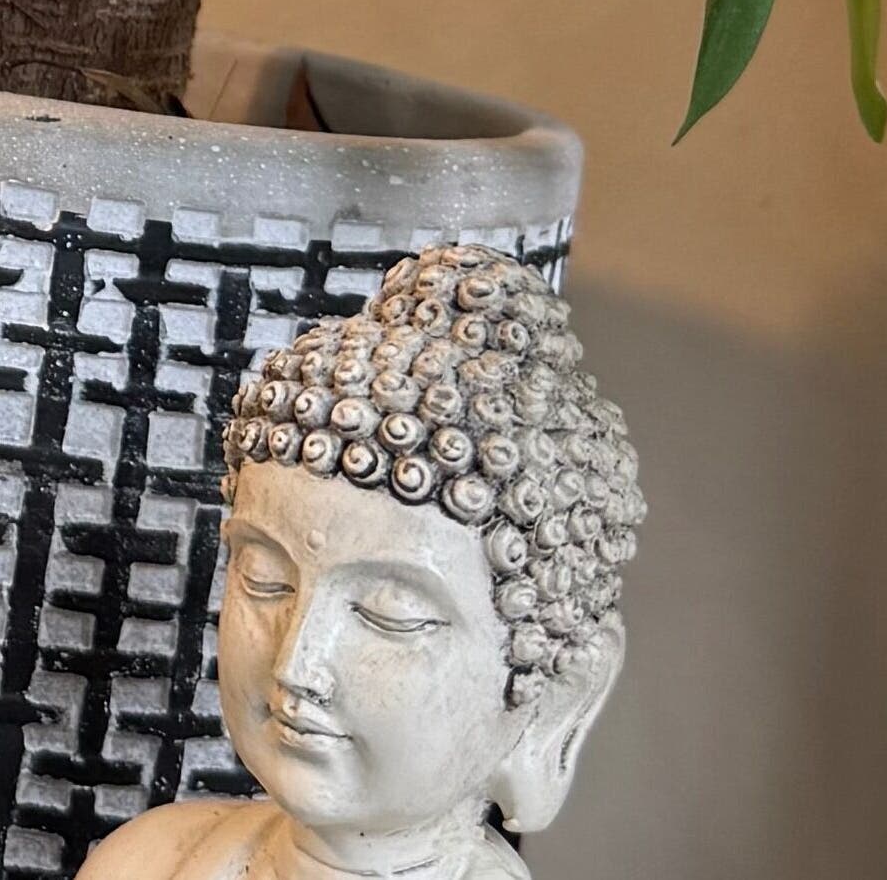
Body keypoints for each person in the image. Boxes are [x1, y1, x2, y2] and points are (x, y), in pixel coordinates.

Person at [77, 244, 642, 880]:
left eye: (390, 612)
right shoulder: (148, 864)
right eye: (264, 581)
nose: (297, 664)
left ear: (553, 698)